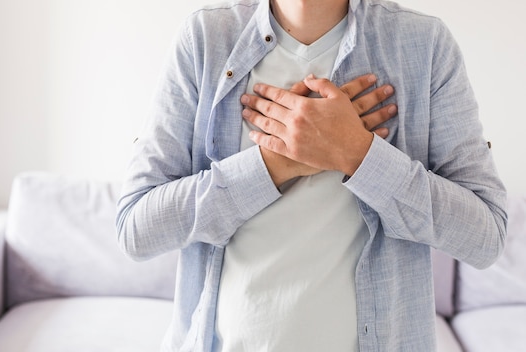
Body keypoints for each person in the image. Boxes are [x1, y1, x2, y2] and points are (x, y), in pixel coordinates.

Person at [116, 0, 507, 350]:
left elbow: (485, 236)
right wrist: (277, 163)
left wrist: (357, 154)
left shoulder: (424, 44)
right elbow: (136, 228)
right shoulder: (205, 39)